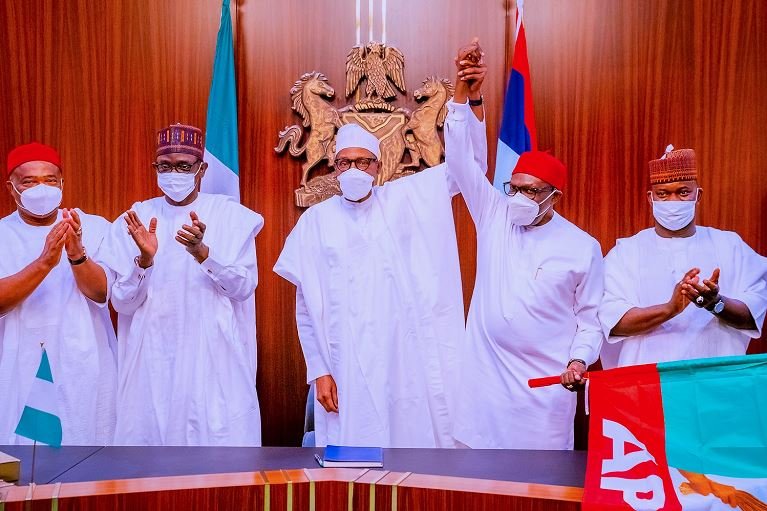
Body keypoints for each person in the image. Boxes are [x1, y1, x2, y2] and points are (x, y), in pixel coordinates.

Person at [273, 91, 487, 447]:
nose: (354, 169)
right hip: (346, 368)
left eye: (363, 161)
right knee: (355, 461)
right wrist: (319, 370)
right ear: (334, 166)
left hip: (405, 363)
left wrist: (469, 103)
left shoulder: (408, 199)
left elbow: (469, 167)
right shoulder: (315, 222)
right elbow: (305, 308)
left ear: (378, 166)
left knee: (410, 450)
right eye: (345, 163)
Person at [443, 40, 604, 449]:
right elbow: (460, 160)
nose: (518, 198)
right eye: (513, 187)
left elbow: (590, 318)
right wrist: (467, 92)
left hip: (544, 393)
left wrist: (578, 360)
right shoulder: (495, 215)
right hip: (485, 385)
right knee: (477, 487)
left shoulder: (581, 246)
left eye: (531, 192)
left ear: (554, 197)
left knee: (537, 489)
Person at [99, 124, 264, 446]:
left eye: (183, 166)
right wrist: (144, 261)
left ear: (201, 169)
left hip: (213, 355)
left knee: (217, 448)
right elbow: (122, 303)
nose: (174, 173)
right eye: (166, 166)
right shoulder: (135, 218)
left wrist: (203, 254)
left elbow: (243, 288)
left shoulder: (230, 216)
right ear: (155, 168)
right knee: (149, 448)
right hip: (152, 357)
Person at [599, 146, 767, 367]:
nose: (673, 201)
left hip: (716, 380)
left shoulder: (730, 245)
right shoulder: (625, 253)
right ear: (650, 198)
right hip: (650, 384)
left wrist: (715, 303)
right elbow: (614, 322)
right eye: (663, 194)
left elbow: (752, 314)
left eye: (683, 192)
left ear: (698, 195)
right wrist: (670, 309)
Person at [0, 142, 116, 445]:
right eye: (29, 181)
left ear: (62, 184)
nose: (41, 188)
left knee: (85, 445)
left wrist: (77, 254)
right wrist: (45, 263)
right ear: (11, 188)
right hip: (18, 359)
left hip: (83, 357)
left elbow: (102, 293)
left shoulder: (95, 227)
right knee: (24, 459)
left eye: (50, 180)